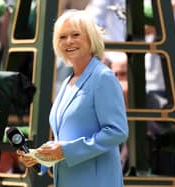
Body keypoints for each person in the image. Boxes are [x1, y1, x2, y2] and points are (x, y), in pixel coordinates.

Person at [17, 9, 129, 187]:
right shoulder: (68, 82)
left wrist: (65, 151)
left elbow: (117, 132)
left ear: (90, 38)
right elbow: (67, 136)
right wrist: (40, 156)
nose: (68, 41)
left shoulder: (103, 77)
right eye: (62, 37)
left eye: (75, 34)